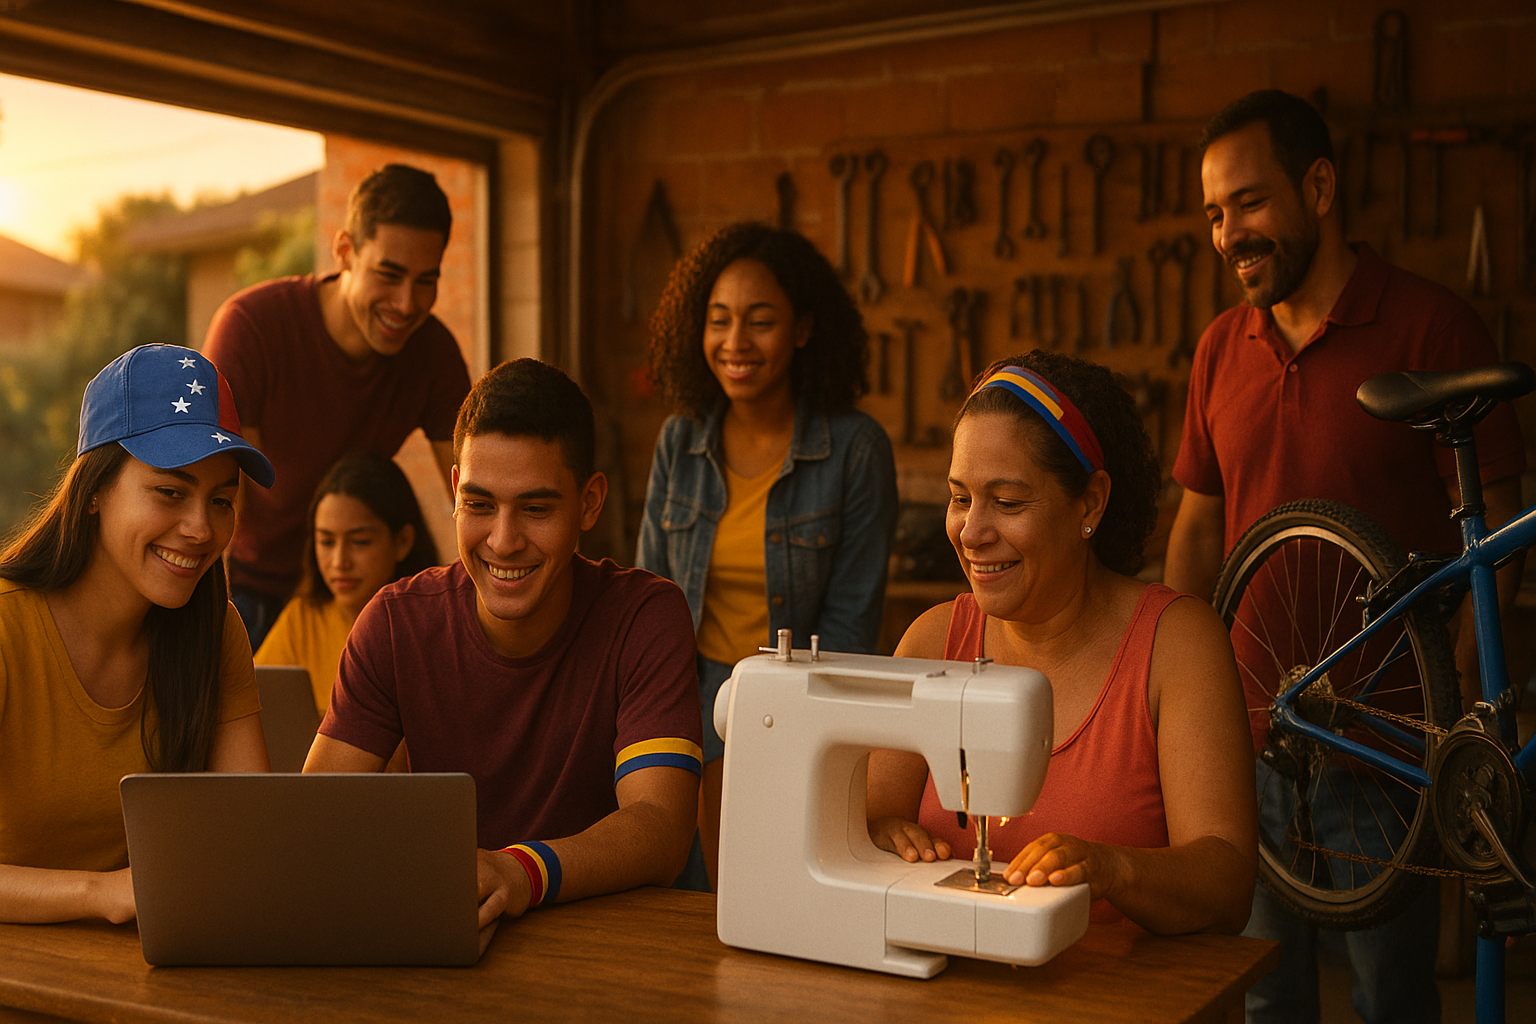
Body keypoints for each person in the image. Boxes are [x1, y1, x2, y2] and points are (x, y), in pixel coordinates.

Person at [1163, 90, 1526, 1023]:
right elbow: (1201, 529)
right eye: (1212, 213)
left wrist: (1453, 699)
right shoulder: (1218, 348)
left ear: (1318, 187)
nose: (1228, 233)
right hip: (1248, 739)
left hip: (1388, 748)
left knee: (1390, 1000)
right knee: (1263, 1000)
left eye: (1247, 203)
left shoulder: (1429, 327)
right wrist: (1172, 691)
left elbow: (1503, 524)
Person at [305, 358, 703, 956]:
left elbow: (663, 828)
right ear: (455, 491)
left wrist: (520, 872)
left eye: (536, 509)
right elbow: (315, 821)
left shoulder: (647, 617)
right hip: (451, 943)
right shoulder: (393, 623)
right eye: (481, 504)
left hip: (613, 954)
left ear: (589, 503)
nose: (504, 540)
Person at [865, 352, 1257, 935]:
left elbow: (1226, 883)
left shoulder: (1176, 647)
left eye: (1008, 502)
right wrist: (874, 837)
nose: (972, 531)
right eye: (959, 497)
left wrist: (1114, 867)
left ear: (1090, 503)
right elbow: (870, 823)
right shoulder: (930, 643)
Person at [637, 221, 898, 891]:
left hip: (802, 700)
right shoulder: (679, 442)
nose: (735, 343)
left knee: (781, 892)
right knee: (683, 898)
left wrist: (776, 718)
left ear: (803, 329)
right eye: (719, 320)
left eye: (760, 321)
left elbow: (851, 627)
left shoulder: (855, 449)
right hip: (685, 703)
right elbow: (650, 607)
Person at [0, 344, 274, 925]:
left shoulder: (215, 628)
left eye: (221, 501)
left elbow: (249, 837)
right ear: (95, 490)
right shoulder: (7, 627)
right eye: (170, 493)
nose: (201, 528)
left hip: (148, 973)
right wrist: (102, 895)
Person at [203, 163, 472, 650]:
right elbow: (217, 495)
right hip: (253, 595)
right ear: (346, 251)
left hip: (365, 603)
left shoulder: (433, 354)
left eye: (425, 281)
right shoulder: (252, 328)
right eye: (388, 275)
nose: (407, 303)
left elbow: (474, 496)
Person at [255, 450, 439, 717]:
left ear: (403, 542)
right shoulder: (302, 620)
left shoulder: (435, 627)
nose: (340, 562)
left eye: (359, 542)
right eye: (327, 542)